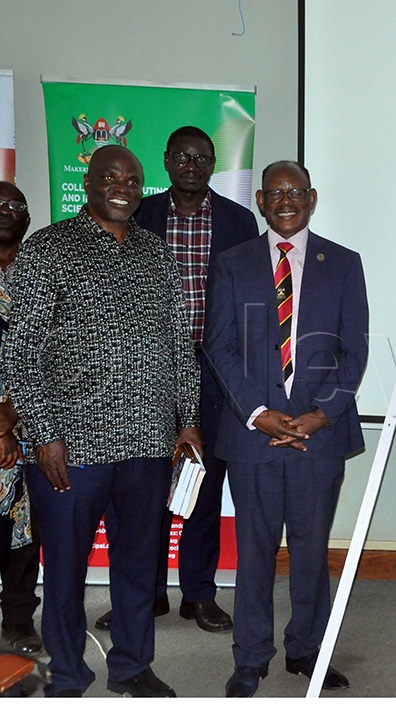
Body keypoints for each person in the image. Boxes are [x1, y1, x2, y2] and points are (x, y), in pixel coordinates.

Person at [1, 146, 201, 697]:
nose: (123, 186)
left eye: (133, 180)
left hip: (148, 442)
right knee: (64, 570)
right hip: (72, 448)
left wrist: (188, 420)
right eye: (110, 177)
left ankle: (133, 666)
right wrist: (43, 435)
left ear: (143, 188)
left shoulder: (158, 256)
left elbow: (179, 348)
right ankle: (67, 672)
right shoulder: (49, 249)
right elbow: (19, 353)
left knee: (138, 566)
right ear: (87, 182)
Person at [203, 161, 368, 697]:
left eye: (295, 192)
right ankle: (250, 656)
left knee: (311, 547)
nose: (286, 201)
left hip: (320, 433)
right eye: (274, 193)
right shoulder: (232, 263)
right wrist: (257, 412)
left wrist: (321, 415)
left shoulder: (343, 263)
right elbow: (219, 346)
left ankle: (308, 649)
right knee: (253, 551)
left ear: (312, 198)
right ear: (260, 201)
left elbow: (355, 349)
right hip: (253, 433)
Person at [95, 126, 258, 634]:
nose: (192, 164)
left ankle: (199, 594)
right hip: (145, 372)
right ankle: (146, 594)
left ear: (212, 164)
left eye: (202, 157)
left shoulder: (238, 221)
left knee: (202, 488)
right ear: (165, 161)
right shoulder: (137, 213)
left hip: (213, 372)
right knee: (140, 488)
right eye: (182, 156)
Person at [0, 181, 41, 656]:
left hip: (30, 425)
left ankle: (18, 619)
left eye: (16, 205)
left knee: (24, 529)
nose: (7, 211)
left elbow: (59, 351)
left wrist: (12, 420)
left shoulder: (40, 272)